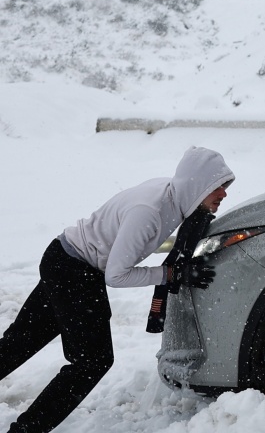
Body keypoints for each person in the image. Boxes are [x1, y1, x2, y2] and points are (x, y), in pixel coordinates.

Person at [0, 147, 234, 433]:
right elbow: (117, 275)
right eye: (218, 186)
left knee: (22, 340)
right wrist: (171, 274)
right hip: (75, 270)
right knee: (92, 362)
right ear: (198, 186)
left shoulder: (173, 196)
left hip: (63, 258)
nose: (224, 193)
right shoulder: (149, 212)